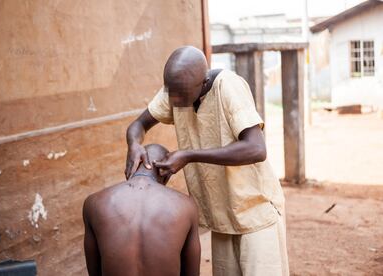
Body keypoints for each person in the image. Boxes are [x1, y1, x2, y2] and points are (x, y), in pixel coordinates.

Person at [125, 46, 289, 275]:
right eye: (172, 95)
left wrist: (189, 155)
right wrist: (134, 144)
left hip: (255, 211)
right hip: (221, 213)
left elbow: (256, 149)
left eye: (182, 97)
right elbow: (138, 125)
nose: (176, 103)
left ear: (203, 84)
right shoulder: (175, 91)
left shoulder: (228, 87)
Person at [83, 144, 200, 276]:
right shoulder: (186, 206)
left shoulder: (94, 202)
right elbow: (192, 273)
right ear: (166, 175)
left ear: (130, 165)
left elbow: (94, 271)